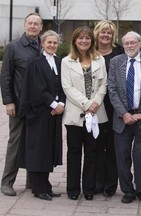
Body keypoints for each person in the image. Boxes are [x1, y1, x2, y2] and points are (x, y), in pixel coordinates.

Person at [108, 31, 141, 204]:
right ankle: (127, 191)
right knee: (122, 157)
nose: (130, 46)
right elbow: (112, 90)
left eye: (133, 43)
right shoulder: (116, 62)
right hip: (122, 118)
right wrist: (124, 113)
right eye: (126, 43)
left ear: (140, 44)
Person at [61, 26, 108, 201]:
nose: (84, 41)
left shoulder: (100, 60)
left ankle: (89, 189)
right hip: (75, 115)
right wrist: (87, 104)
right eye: (80, 38)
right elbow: (67, 87)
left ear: (92, 41)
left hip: (97, 113)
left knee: (92, 152)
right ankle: (73, 189)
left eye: (87, 38)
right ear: (74, 41)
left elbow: (104, 84)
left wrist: (95, 104)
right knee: (74, 152)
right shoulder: (66, 61)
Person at [18, 30, 65, 201]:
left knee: (48, 149)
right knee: (38, 150)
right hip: (38, 113)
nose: (52, 45)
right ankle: (38, 188)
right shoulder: (35, 63)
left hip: (54, 113)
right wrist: (54, 104)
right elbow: (37, 88)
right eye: (49, 42)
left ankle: (46, 185)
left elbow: (63, 85)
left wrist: (61, 104)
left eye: (55, 43)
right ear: (42, 44)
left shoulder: (60, 62)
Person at [0, 12, 43, 196]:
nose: (33, 26)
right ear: (24, 25)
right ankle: (7, 182)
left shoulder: (45, 45)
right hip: (19, 104)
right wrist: (9, 101)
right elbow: (6, 76)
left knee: (35, 143)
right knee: (16, 143)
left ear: (41, 27)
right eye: (30, 23)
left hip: (39, 106)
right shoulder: (14, 47)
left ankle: (32, 182)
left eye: (37, 24)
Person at [93, 20, 124, 197]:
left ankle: (110, 184)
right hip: (94, 106)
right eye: (103, 32)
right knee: (95, 144)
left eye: (109, 33)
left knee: (112, 146)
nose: (106, 35)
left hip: (115, 106)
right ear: (97, 33)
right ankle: (97, 182)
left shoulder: (119, 51)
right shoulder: (89, 51)